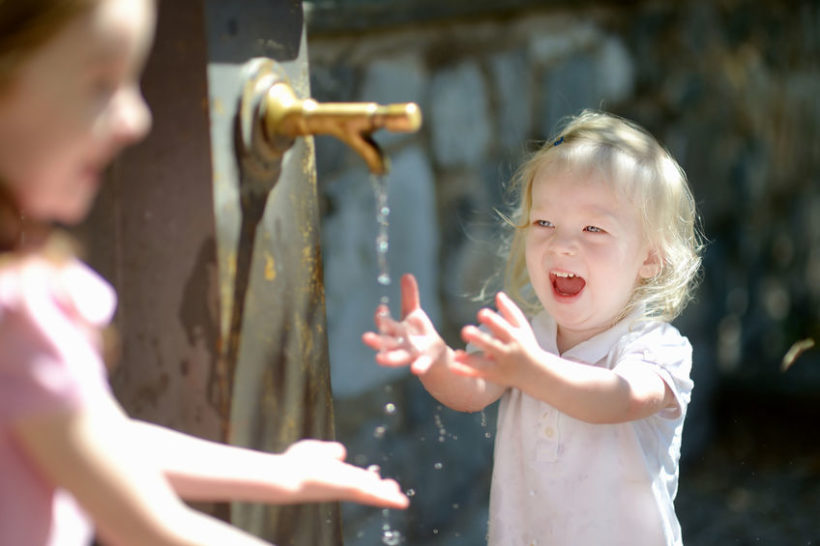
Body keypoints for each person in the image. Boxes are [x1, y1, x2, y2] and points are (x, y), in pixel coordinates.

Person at [0, 1, 408, 545]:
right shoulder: (19, 316)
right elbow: (152, 530)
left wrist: (281, 474)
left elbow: (90, 435)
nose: (135, 118)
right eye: (101, 84)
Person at [364, 110, 703, 545]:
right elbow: (468, 391)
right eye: (544, 222)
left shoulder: (657, 348)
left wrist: (530, 370)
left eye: (593, 228)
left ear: (649, 259)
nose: (562, 243)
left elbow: (618, 399)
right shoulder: (525, 338)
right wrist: (435, 359)